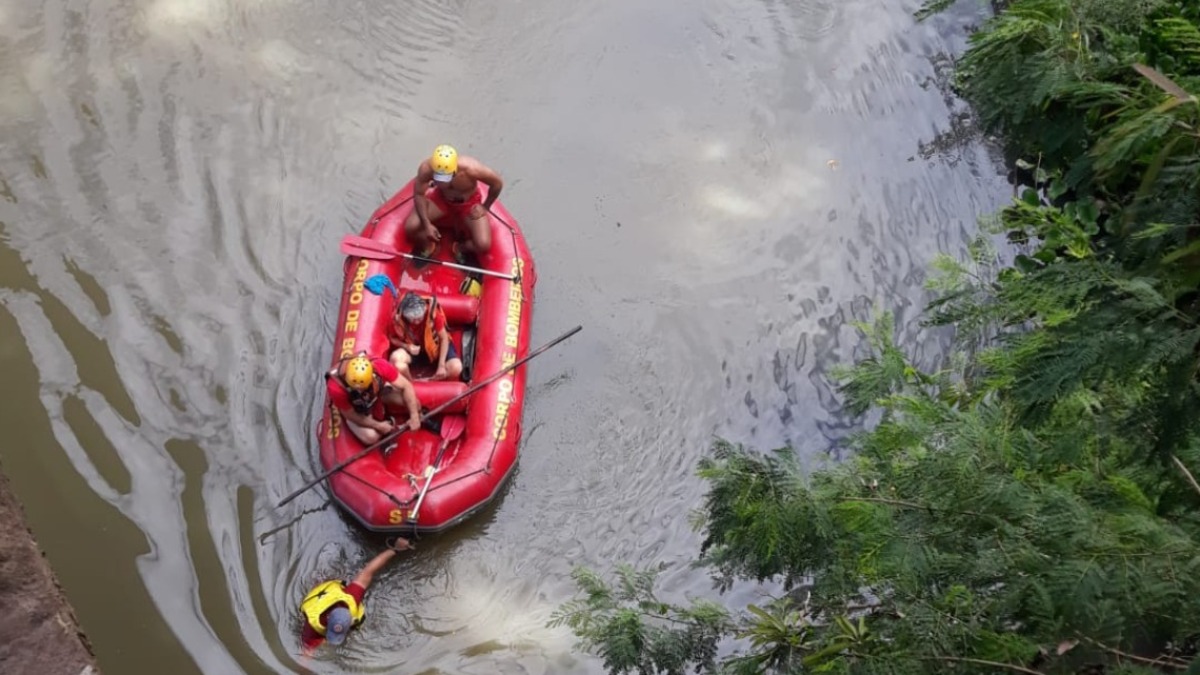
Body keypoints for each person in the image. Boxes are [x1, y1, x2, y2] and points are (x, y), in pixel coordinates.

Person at [299, 538, 415, 650]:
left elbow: (369, 570)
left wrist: (395, 549)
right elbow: (306, 654)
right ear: (328, 618)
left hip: (334, 593)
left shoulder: (351, 597)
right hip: (319, 599)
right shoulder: (312, 626)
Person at [404, 144, 504, 259]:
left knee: (483, 244)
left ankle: (460, 247)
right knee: (411, 227)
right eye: (438, 178)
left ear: (454, 171)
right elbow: (419, 194)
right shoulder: (426, 168)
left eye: (445, 178)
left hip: (469, 204)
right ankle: (429, 244)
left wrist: (485, 207)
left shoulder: (471, 169)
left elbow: (497, 183)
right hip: (441, 200)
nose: (441, 183)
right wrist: (427, 224)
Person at [325, 353, 422, 445]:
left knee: (415, 405)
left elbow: (406, 386)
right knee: (371, 437)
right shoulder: (336, 387)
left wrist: (414, 416)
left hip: (378, 393)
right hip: (356, 407)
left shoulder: (381, 366)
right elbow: (350, 414)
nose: (361, 391)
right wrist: (377, 425)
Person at [389, 291, 463, 382]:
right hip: (416, 349)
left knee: (456, 367)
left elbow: (444, 338)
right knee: (395, 358)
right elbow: (392, 338)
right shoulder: (399, 319)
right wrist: (407, 347)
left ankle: (434, 381)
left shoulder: (433, 314)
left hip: (436, 347)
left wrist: (441, 365)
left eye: (419, 318)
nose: (417, 322)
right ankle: (411, 383)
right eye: (413, 320)